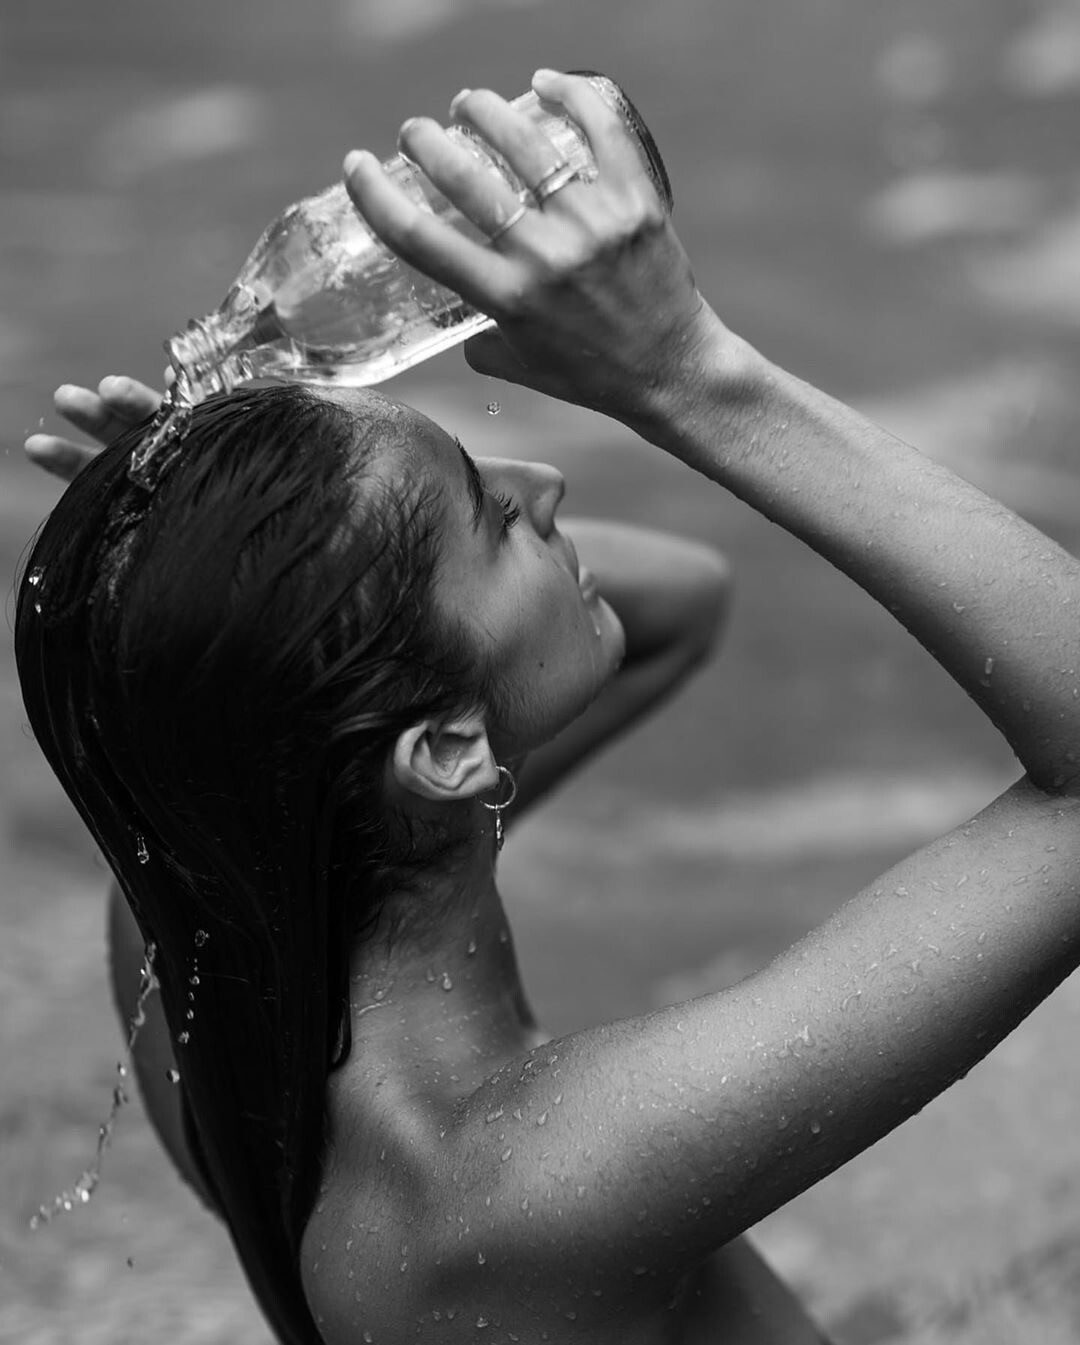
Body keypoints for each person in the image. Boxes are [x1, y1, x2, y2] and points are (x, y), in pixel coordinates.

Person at [16, 68, 1080, 1345]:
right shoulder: (518, 1191)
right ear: (446, 749)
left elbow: (675, 606)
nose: (548, 482)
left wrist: (237, 562)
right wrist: (685, 372)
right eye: (491, 511)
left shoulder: (214, 978)